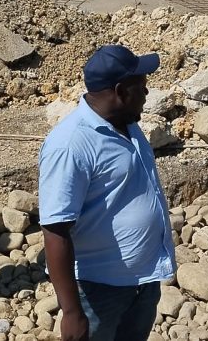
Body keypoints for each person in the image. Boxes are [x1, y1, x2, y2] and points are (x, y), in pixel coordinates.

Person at [39, 45, 176, 341]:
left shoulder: (126, 123)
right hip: (99, 291)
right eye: (141, 87)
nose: (148, 94)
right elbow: (54, 229)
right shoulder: (71, 144)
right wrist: (72, 313)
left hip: (143, 281)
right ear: (120, 91)